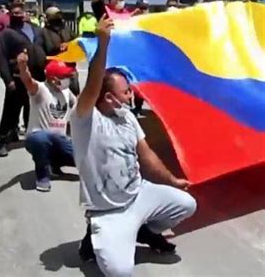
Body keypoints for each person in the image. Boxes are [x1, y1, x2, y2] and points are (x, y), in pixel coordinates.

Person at [71, 14, 197, 276]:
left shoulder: (127, 117)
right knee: (120, 272)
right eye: (126, 92)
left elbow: (146, 154)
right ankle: (94, 239)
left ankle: (146, 231)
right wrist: (102, 44)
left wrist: (172, 180)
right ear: (107, 97)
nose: (132, 95)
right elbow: (92, 87)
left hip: (138, 195)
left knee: (186, 204)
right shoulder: (85, 118)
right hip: (108, 211)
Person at [17, 53, 76, 192]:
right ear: (54, 79)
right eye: (65, 77)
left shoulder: (67, 92)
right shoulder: (41, 90)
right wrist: (22, 66)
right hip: (38, 138)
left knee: (84, 160)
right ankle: (42, 176)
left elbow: (80, 108)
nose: (68, 79)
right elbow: (27, 80)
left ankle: (55, 164)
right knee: (41, 138)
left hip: (60, 141)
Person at [0, 3, 46, 158]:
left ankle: (35, 139)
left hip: (37, 76)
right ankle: (3, 141)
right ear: (10, 15)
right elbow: (2, 57)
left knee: (35, 109)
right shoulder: (7, 33)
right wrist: (7, 79)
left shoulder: (36, 30)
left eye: (20, 12)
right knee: (11, 110)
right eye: (14, 13)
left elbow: (48, 47)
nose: (18, 15)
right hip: (17, 78)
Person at [40, 6, 79, 95]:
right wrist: (58, 47)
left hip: (69, 67)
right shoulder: (43, 32)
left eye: (59, 17)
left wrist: (68, 45)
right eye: (55, 17)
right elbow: (46, 49)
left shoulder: (66, 29)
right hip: (53, 69)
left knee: (74, 94)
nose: (58, 19)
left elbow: (77, 41)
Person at [0, 0, 25, 71]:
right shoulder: (1, 18)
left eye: (22, 1)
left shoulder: (26, 19)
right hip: (9, 60)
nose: (21, 3)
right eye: (18, 1)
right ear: (10, 4)